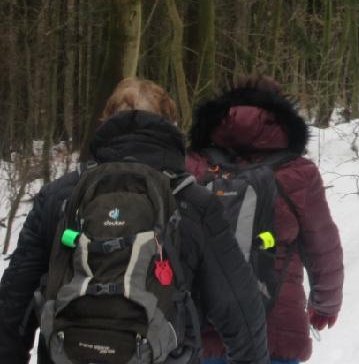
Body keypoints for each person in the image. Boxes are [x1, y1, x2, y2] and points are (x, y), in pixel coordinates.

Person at [0, 79, 269, 364]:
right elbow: (240, 308)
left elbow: (13, 300)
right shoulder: (194, 204)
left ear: (105, 122)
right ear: (171, 125)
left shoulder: (59, 197)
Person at [188, 75, 345, 364]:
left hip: (203, 326)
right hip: (274, 329)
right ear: (281, 118)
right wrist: (326, 303)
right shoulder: (299, 172)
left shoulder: (192, 166)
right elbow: (323, 244)